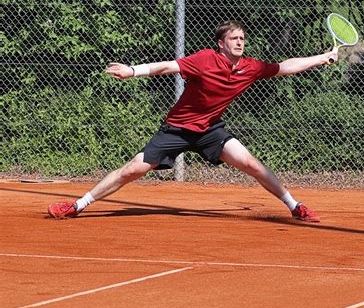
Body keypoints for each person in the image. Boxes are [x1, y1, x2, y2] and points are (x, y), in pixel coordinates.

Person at [48, 20, 338, 222]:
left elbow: (285, 67)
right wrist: (132, 71)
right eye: (234, 39)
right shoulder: (204, 59)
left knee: (251, 164)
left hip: (210, 130)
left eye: (242, 38)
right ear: (221, 44)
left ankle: (295, 206)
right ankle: (78, 205)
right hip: (177, 129)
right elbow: (167, 67)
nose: (240, 42)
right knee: (133, 169)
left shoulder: (250, 67)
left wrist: (322, 57)